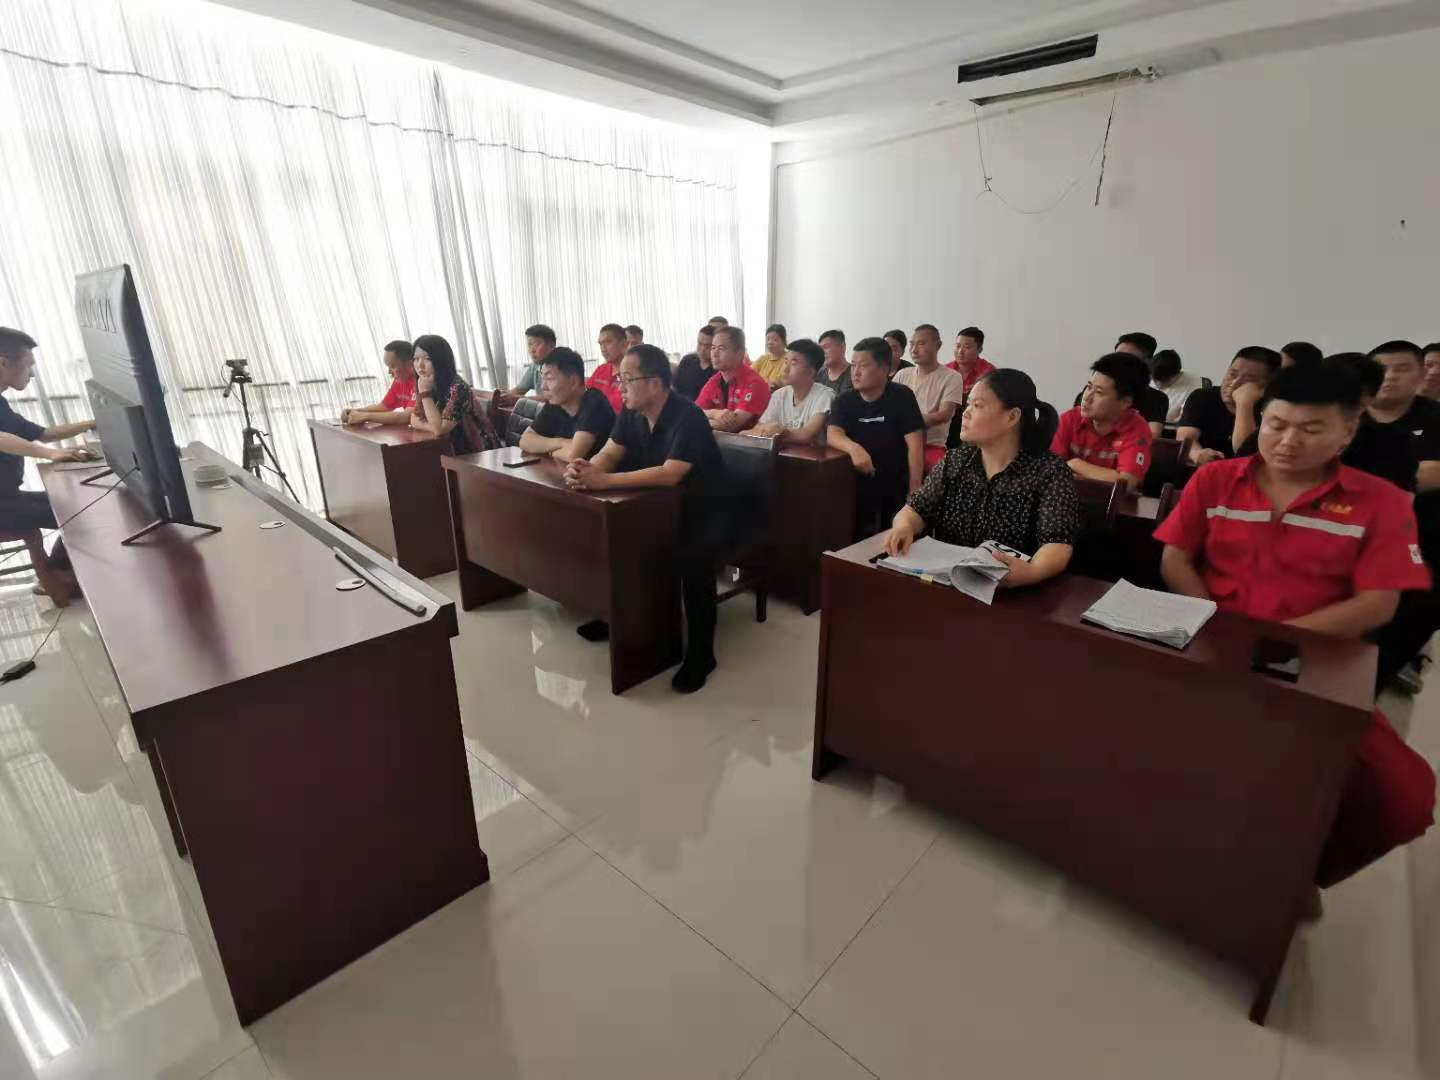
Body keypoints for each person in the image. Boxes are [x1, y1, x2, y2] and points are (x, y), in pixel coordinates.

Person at [1155, 363, 1434, 890]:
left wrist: (1277, 640)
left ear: (1347, 432)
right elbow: (1176, 559)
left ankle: (1302, 875)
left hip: (1314, 664)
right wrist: (1215, 624)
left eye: (1310, 430)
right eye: (1276, 424)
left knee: (1404, 797)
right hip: (1210, 644)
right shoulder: (1216, 479)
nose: (1286, 442)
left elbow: (1379, 604)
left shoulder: (1383, 503)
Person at [564, 344, 728, 694]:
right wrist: (586, 469)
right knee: (618, 542)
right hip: (655, 506)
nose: (619, 387)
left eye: (627, 379)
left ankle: (702, 653)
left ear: (654, 383)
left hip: (703, 510)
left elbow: (671, 473)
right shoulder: (631, 412)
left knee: (694, 561)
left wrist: (604, 481)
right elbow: (610, 452)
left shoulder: (688, 416)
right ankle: (623, 621)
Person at [885, 369, 1078, 587]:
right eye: (968, 404)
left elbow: (1057, 543)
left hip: (1010, 591)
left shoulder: (1049, 471)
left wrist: (1033, 571)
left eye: (977, 405)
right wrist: (904, 527)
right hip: (948, 583)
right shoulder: (956, 460)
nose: (965, 413)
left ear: (1012, 417)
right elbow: (917, 509)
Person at [1363, 341, 1440, 689]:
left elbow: (1431, 475)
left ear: (1421, 374)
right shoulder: (1347, 413)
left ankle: (1375, 679)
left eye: (1401, 368)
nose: (1389, 376)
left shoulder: (1433, 418)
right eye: (1381, 369)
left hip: (1420, 538)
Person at [0, 328, 97, 581]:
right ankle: (60, 578)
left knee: (81, 505)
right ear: (3, 363)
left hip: (8, 497)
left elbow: (42, 433)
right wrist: (51, 454)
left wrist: (91, 424)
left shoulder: (1, 405)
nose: (32, 374)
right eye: (28, 366)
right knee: (79, 514)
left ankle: (56, 576)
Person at [827, 337, 925, 538]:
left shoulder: (902, 396)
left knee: (892, 536)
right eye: (853, 365)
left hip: (895, 480)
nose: (855, 372)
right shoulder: (844, 400)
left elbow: (915, 446)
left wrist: (914, 493)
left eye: (863, 366)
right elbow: (833, 433)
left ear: (884, 369)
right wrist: (854, 449)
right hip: (856, 481)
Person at [1051, 352, 1154, 492]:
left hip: (1111, 504)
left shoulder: (1137, 429)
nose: (1087, 397)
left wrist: (1075, 464)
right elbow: (1050, 470)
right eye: (1089, 387)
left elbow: (1126, 483)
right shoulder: (1070, 419)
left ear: (1125, 402)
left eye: (1099, 392)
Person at [1176, 346, 1281, 465]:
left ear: (1266, 387)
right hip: (1202, 470)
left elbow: (1245, 455)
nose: (1234, 383)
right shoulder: (1202, 397)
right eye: (1232, 374)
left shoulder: (1273, 410)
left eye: (1249, 380)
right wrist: (1197, 454)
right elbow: (1186, 439)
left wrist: (1244, 404)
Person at [519, 346, 614, 464]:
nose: (543, 386)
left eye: (549, 378)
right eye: (543, 379)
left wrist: (548, 450)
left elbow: (573, 455)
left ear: (573, 382)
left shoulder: (594, 402)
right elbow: (525, 441)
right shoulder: (555, 403)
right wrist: (561, 442)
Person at [410, 334, 500, 454]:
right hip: (451, 449)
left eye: (428, 359)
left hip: (479, 453)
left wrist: (425, 393)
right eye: (416, 359)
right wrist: (432, 427)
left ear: (441, 360)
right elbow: (414, 419)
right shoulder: (427, 383)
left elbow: (439, 429)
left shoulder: (457, 387)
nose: (420, 365)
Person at [896, 324, 966, 472]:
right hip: (898, 442)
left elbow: (945, 414)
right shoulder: (902, 374)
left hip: (931, 446)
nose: (914, 350)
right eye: (912, 344)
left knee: (940, 473)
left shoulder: (951, 377)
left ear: (938, 345)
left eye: (921, 344)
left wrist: (911, 422)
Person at [1071, 333, 1168, 436]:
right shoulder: (1092, 390)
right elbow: (1074, 428)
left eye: (1127, 360)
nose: (1118, 363)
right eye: (1116, 356)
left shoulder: (1156, 399)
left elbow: (1152, 437)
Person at [751, 338, 835, 446]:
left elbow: (806, 435)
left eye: (793, 363)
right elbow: (758, 427)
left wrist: (779, 431)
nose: (785, 369)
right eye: (786, 362)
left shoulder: (825, 396)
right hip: (781, 454)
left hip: (810, 455)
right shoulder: (779, 395)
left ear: (810, 372)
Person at [696, 326, 771, 432]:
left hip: (747, 441)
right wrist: (713, 413)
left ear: (740, 354)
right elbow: (694, 412)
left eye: (721, 348)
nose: (714, 354)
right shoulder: (715, 380)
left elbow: (731, 425)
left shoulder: (755, 383)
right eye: (713, 348)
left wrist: (698, 421)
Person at [341, 340, 418, 425]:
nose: (389, 372)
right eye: (388, 367)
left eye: (393, 366)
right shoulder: (399, 381)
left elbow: (407, 417)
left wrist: (365, 416)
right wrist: (355, 411)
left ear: (410, 365)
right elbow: (384, 407)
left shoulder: (420, 382)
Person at [1150, 348, 1203, 423]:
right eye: (1154, 380)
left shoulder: (1194, 383)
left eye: (1163, 381)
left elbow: (1185, 418)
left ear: (1177, 374)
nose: (1158, 384)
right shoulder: (1148, 377)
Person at [506, 324, 556, 398]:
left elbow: (552, 398)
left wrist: (519, 399)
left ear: (551, 346)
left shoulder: (561, 366)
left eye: (537, 344)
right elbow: (519, 390)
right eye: (529, 344)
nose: (532, 350)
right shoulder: (535, 366)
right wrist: (501, 396)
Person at [586, 323, 627, 413]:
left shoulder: (633, 373)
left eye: (608, 342)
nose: (603, 349)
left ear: (623, 344)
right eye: (601, 344)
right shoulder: (601, 370)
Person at [945, 326, 995, 397]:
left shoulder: (989, 373)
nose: (960, 351)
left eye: (967, 347)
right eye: (958, 346)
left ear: (979, 349)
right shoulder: (946, 370)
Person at [673, 325, 715, 401]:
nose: (702, 349)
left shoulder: (718, 370)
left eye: (707, 346)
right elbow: (675, 387)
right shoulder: (687, 361)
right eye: (700, 344)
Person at [815, 330, 853, 395]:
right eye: (820, 349)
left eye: (826, 347)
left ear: (842, 347)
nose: (822, 352)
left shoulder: (855, 374)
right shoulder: (818, 374)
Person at [753, 324, 788, 388]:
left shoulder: (788, 359)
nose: (770, 342)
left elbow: (778, 383)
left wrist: (759, 381)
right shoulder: (763, 358)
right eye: (768, 339)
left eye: (775, 340)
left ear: (784, 342)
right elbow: (750, 374)